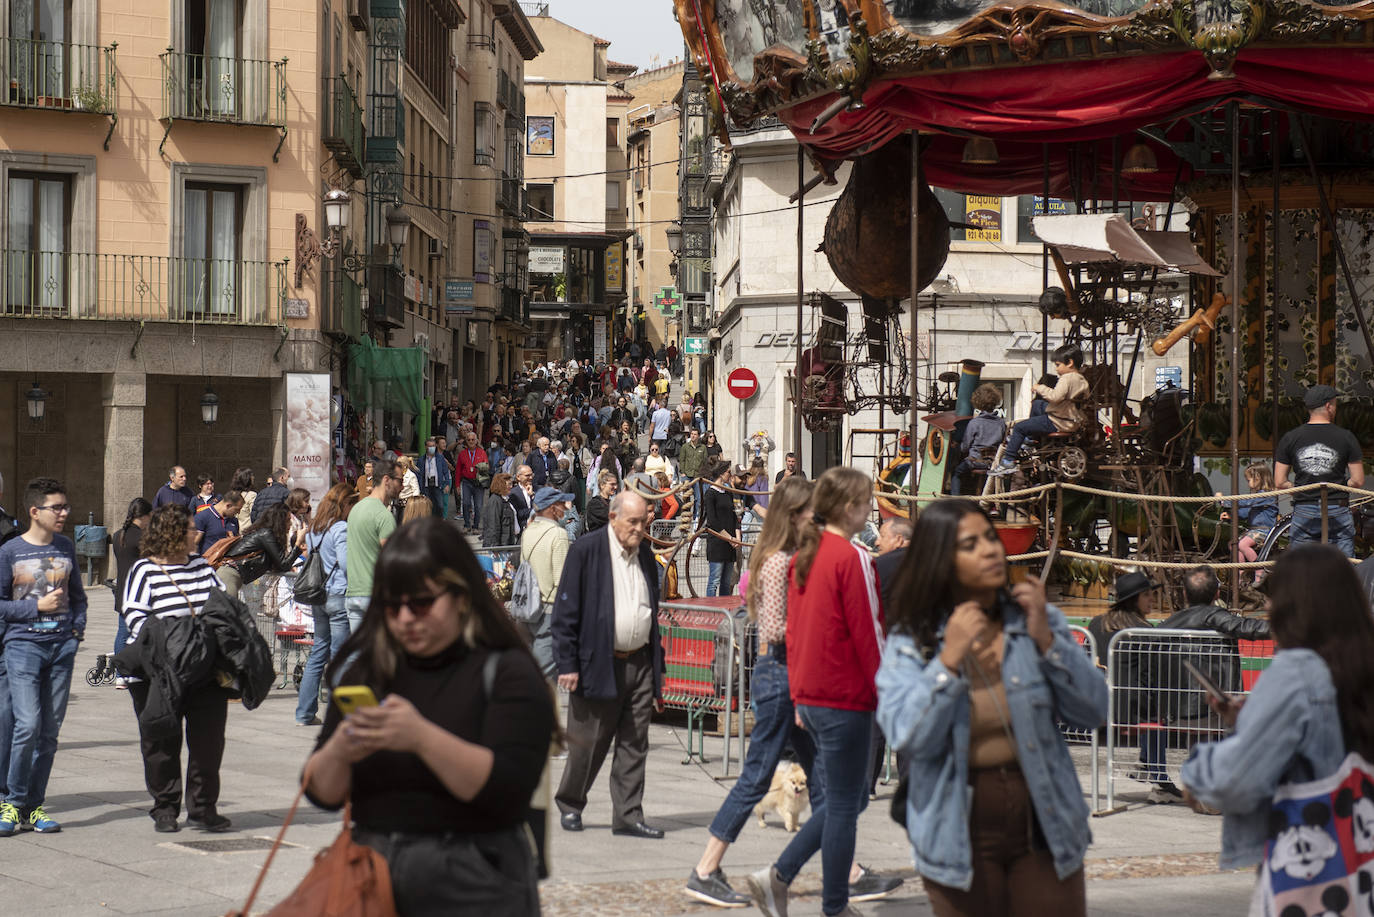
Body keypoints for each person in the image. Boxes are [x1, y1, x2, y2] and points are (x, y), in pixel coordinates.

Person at [303, 517, 556, 916]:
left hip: (475, 880)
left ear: (461, 596)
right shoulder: (368, 671)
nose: (405, 618)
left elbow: (507, 790)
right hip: (373, 877)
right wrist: (341, 747)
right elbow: (322, 793)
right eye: (391, 604)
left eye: (421, 603)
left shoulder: (508, 672)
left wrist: (421, 737)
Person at [875, 499, 1108, 917]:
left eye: (989, 537)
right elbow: (904, 732)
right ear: (940, 559)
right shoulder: (915, 638)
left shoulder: (1033, 620)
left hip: (1043, 818)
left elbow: (1093, 710)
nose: (990, 549)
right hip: (956, 827)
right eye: (970, 544)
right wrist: (948, 662)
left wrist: (1049, 644)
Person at [1180, 545, 1374, 885]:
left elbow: (1237, 776)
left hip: (1310, 864)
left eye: (1275, 596)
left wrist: (1197, 773)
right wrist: (1251, 719)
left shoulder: (1295, 673)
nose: (1268, 607)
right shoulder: (1359, 668)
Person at [746, 468, 886, 917]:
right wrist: (887, 693)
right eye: (866, 503)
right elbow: (869, 633)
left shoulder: (807, 554)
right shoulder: (852, 556)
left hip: (813, 692)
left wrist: (802, 694)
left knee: (846, 799)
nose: (870, 510)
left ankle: (790, 881)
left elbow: (798, 632)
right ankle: (827, 899)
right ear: (850, 507)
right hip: (846, 694)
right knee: (845, 803)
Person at [552, 491, 665, 840]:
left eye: (643, 522)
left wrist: (657, 670)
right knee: (588, 742)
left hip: (640, 661)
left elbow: (652, 609)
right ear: (613, 518)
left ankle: (628, 815)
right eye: (632, 522)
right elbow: (565, 611)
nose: (639, 529)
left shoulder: (645, 554)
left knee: (635, 743)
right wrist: (567, 664)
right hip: (596, 661)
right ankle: (571, 803)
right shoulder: (586, 550)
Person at [118, 504, 233, 834]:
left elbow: (221, 601)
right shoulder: (145, 570)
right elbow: (136, 617)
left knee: (208, 743)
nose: (196, 534)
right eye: (190, 529)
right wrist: (171, 643)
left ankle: (202, 807)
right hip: (161, 671)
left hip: (204, 669)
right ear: (172, 534)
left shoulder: (200, 565)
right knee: (161, 741)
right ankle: (165, 807)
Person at [0, 477, 86, 836]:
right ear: (35, 511)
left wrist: (76, 631)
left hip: (61, 647)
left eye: (65, 506)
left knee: (49, 733)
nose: (64, 512)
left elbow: (79, 595)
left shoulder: (66, 547)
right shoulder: (9, 552)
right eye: (57, 507)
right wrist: (35, 606)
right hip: (23, 647)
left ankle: (34, 806)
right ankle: (12, 802)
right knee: (28, 725)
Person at [1088, 571, 1176, 801]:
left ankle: (1147, 764)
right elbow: (1151, 675)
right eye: (1147, 595)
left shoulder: (1096, 623)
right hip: (1127, 708)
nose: (1152, 600)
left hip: (1097, 702)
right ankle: (1160, 778)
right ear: (1134, 599)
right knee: (1158, 707)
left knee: (1151, 702)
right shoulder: (1142, 630)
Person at [1156, 565, 1270, 727]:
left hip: (1174, 711)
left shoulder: (1167, 625)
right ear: (1217, 593)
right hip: (1213, 710)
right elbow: (1247, 628)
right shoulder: (1214, 615)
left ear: (1185, 594)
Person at [1274, 383, 1364, 557]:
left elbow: (1279, 482)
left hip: (1304, 508)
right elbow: (1358, 480)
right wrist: (1343, 485)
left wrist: (1299, 490)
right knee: (1342, 566)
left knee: (1302, 566)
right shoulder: (1346, 437)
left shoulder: (1290, 437)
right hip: (1337, 507)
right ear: (1329, 406)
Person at [296, 483, 358, 727]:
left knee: (318, 652)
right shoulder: (340, 528)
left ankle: (304, 712)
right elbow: (345, 564)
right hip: (338, 594)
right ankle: (336, 714)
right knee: (339, 657)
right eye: (351, 504)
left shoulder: (314, 529)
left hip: (318, 596)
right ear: (343, 505)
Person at [993, 344, 1089, 472]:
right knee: (1037, 405)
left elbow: (1055, 397)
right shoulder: (1083, 381)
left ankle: (1008, 460)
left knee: (1019, 427)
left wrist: (1040, 388)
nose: (1056, 369)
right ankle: (1031, 439)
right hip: (1071, 419)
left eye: (1058, 365)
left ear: (1070, 363)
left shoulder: (1066, 379)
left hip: (1058, 421)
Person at [520, 487, 574, 678]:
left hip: (529, 606)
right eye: (561, 504)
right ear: (552, 508)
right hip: (550, 610)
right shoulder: (558, 534)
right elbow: (562, 580)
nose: (565, 508)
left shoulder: (528, 531)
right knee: (542, 677)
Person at [345, 458, 401, 633]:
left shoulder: (356, 509)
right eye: (400, 480)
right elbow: (391, 562)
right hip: (373, 595)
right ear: (386, 480)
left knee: (358, 656)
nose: (402, 486)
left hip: (353, 594)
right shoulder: (383, 516)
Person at [218, 503, 305, 605]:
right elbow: (284, 564)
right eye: (287, 520)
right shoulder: (266, 534)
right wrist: (298, 543)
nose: (290, 524)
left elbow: (281, 565)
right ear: (279, 521)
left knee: (232, 615)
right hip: (229, 575)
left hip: (234, 577)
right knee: (226, 614)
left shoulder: (266, 535)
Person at [112, 498, 154, 656]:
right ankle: (124, 672)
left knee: (123, 633)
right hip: (139, 593)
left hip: (122, 590)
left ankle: (121, 674)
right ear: (144, 516)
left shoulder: (118, 536)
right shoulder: (143, 538)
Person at [951, 384, 1006, 495]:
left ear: (978, 402)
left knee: (956, 473)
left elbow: (965, 447)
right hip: (992, 464)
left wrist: (956, 446)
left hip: (975, 462)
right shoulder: (1001, 423)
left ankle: (955, 500)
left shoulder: (974, 423)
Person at [1222, 462, 1278, 568]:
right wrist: (1231, 515)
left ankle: (1259, 569)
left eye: (1249, 480)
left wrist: (1225, 501)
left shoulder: (1266, 495)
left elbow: (1247, 502)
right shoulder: (1258, 497)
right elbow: (1246, 512)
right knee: (1233, 545)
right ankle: (1242, 573)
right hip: (1254, 530)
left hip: (1264, 530)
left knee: (1242, 545)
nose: (1248, 484)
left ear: (1258, 478)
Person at [703, 462, 741, 597]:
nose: (730, 475)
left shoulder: (728, 493)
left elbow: (734, 517)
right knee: (714, 581)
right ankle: (712, 611)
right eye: (728, 472)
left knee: (726, 582)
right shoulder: (710, 494)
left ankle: (726, 610)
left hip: (730, 544)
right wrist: (730, 538)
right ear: (721, 473)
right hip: (718, 543)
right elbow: (712, 522)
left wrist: (737, 539)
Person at [455, 431, 489, 534]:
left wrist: (482, 467)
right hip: (466, 482)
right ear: (466, 441)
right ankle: (467, 525)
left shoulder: (482, 452)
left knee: (478, 506)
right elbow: (458, 471)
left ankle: (476, 526)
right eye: (468, 440)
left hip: (478, 483)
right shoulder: (462, 454)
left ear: (476, 441)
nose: (471, 441)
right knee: (465, 503)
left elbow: (487, 466)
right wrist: (457, 485)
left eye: (473, 439)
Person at [193, 491, 243, 557]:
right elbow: (193, 544)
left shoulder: (234, 521)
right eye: (237, 509)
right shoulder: (202, 517)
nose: (238, 512)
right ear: (228, 506)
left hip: (229, 563)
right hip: (207, 563)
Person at [418, 437, 452, 521]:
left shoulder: (440, 458)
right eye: (430, 446)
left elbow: (445, 472)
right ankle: (429, 522)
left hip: (437, 485)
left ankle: (439, 521)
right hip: (426, 485)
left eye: (433, 446)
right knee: (428, 505)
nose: (432, 448)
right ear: (426, 447)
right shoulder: (421, 460)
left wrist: (447, 484)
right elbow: (419, 474)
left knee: (440, 505)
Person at [480, 474, 519, 548]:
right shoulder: (495, 501)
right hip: (499, 547)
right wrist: (494, 546)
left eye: (512, 484)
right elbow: (493, 524)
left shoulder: (506, 499)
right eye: (509, 484)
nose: (511, 487)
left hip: (507, 543)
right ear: (501, 485)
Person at [742, 458, 770, 529]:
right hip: (758, 506)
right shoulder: (763, 478)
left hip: (747, 505)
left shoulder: (748, 476)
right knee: (762, 529)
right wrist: (765, 509)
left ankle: (741, 540)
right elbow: (764, 495)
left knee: (744, 528)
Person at [229, 468, 256, 532]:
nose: (253, 478)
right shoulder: (252, 495)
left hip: (234, 531)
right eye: (252, 476)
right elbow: (253, 515)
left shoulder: (231, 494)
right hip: (247, 531)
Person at [511, 465, 535, 533]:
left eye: (531, 475)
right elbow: (517, 513)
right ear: (518, 477)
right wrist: (533, 511)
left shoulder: (537, 490)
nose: (530, 477)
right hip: (522, 530)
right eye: (527, 475)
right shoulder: (513, 493)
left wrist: (532, 496)